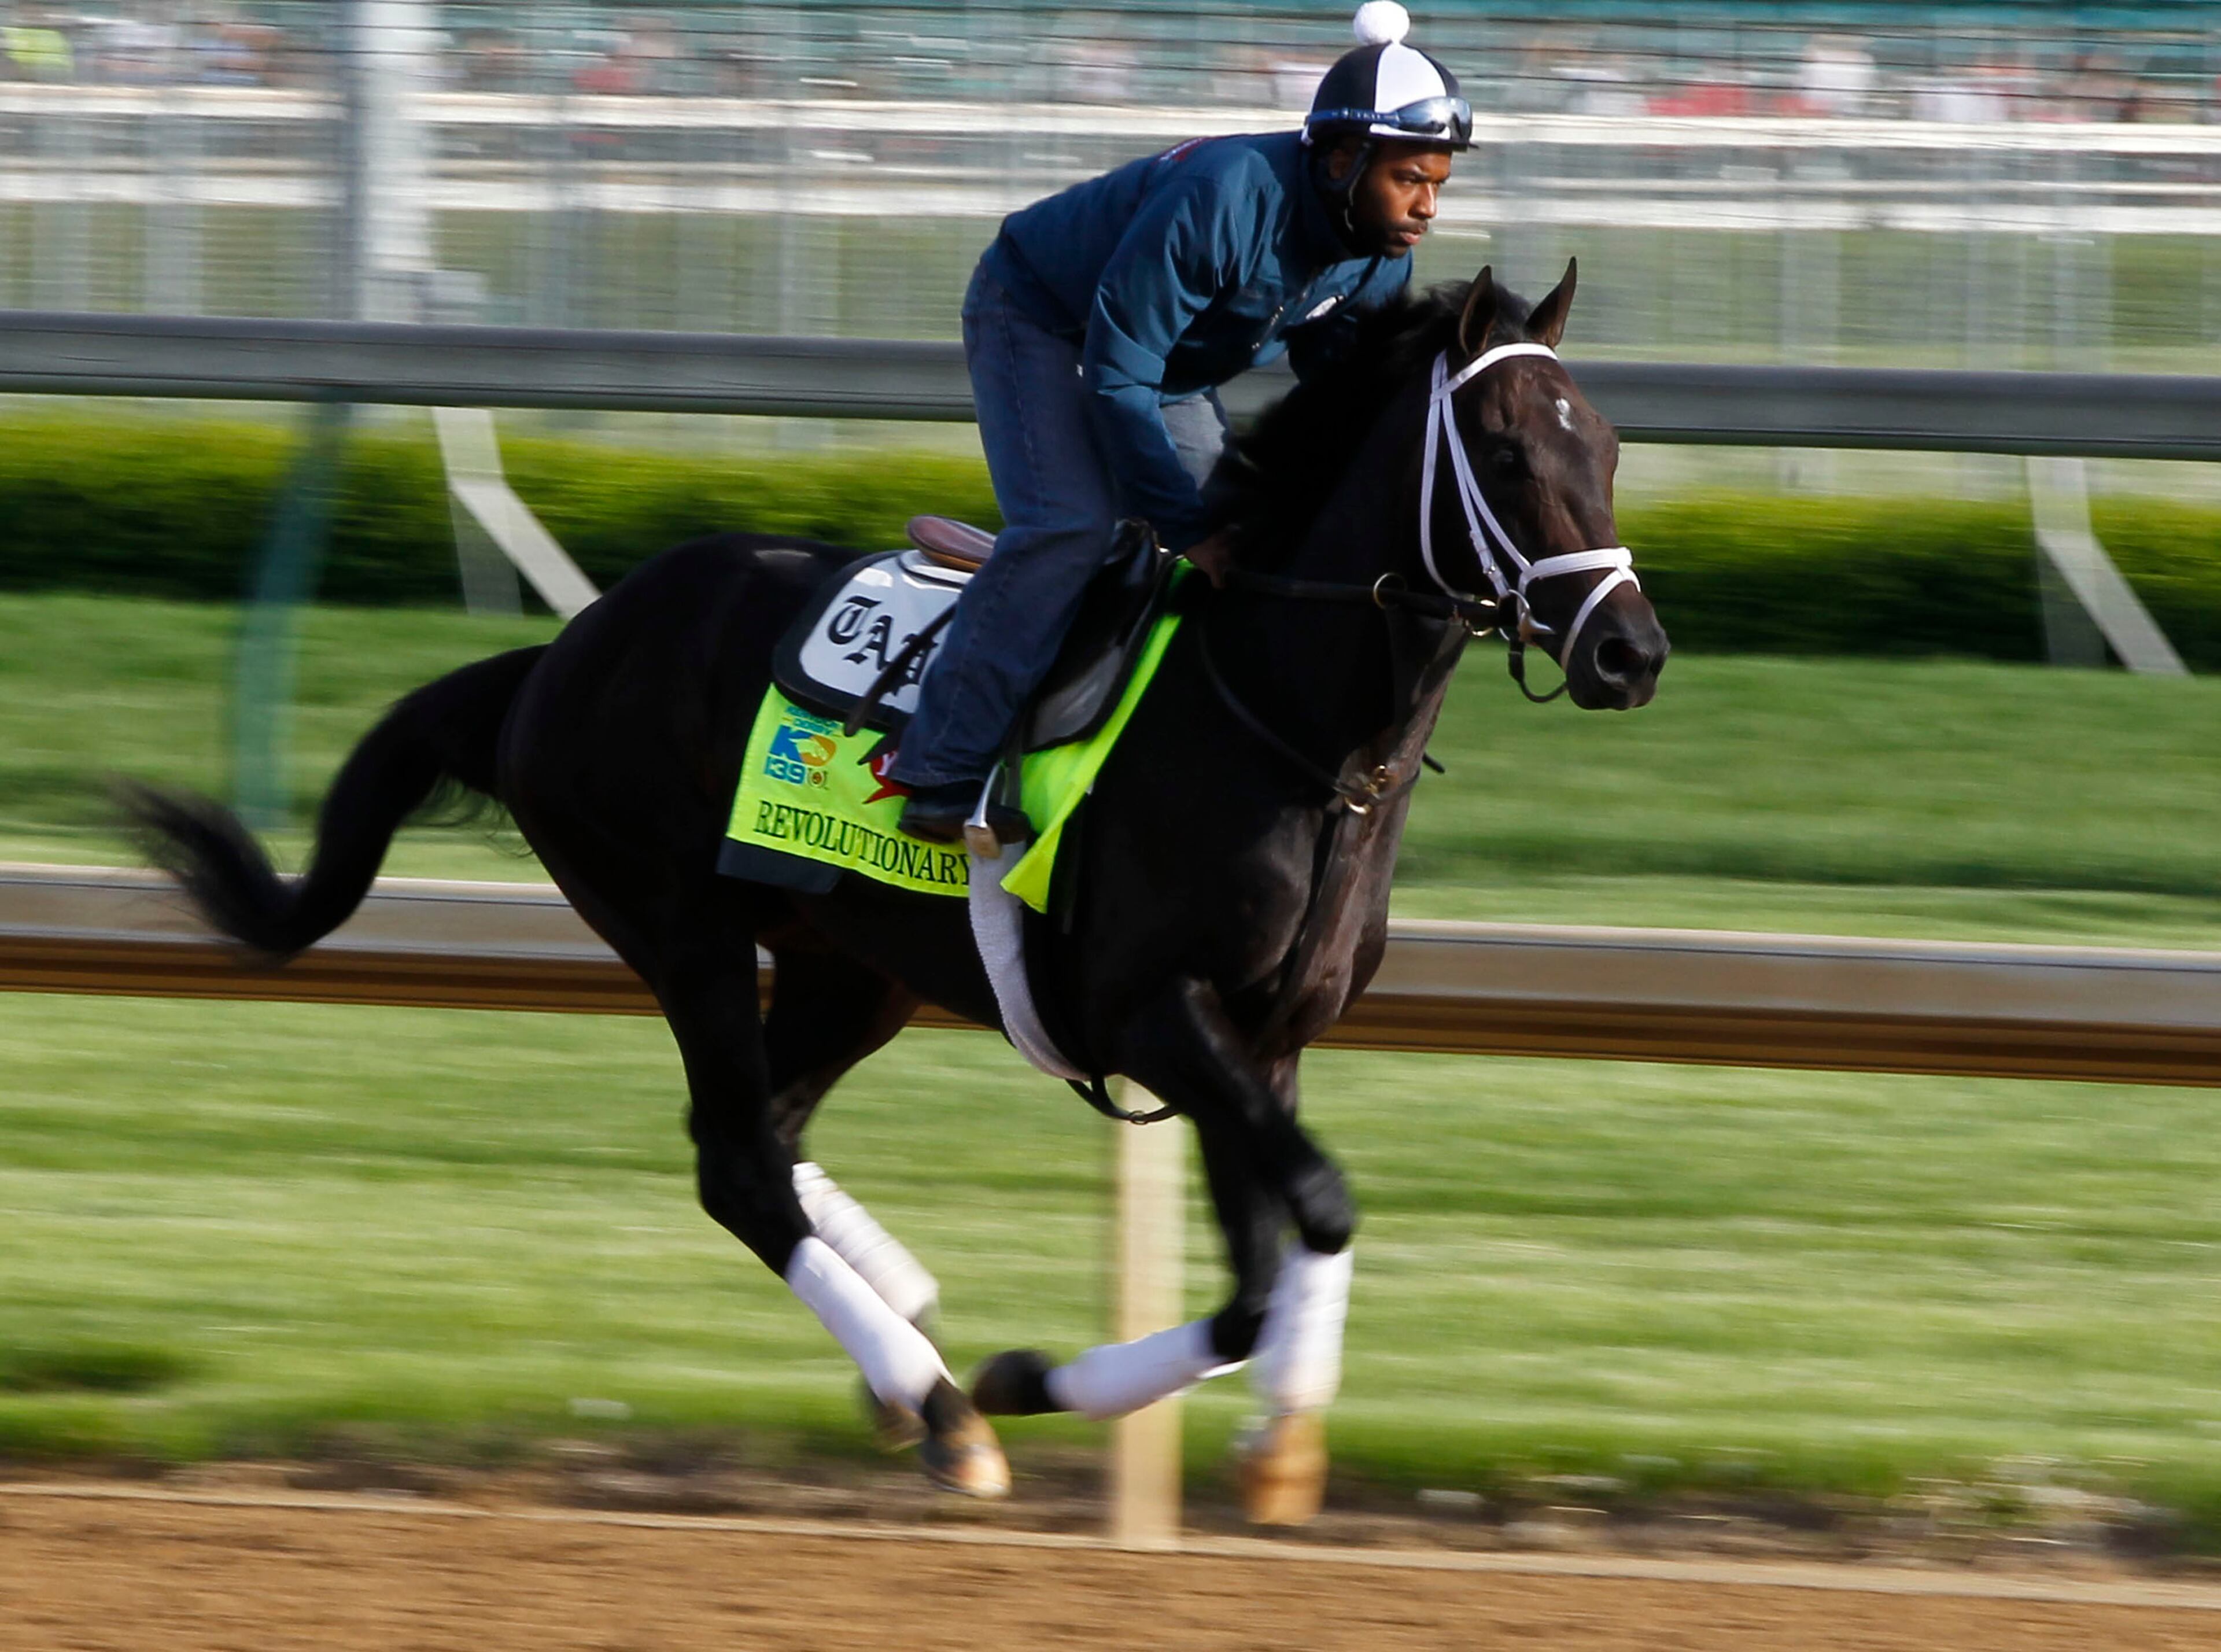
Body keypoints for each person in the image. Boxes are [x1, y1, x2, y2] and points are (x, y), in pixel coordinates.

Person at [890, 1, 1470, 843]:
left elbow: (1336, 408)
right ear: (1343, 160)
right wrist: (1181, 522)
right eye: (1408, 180)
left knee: (1251, 537)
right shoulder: (1225, 200)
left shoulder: (1378, 260)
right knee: (1073, 526)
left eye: (1438, 185)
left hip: (1165, 363)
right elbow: (1118, 375)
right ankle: (939, 764)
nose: (1426, 209)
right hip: (1041, 318)